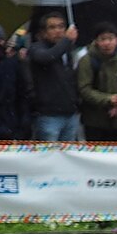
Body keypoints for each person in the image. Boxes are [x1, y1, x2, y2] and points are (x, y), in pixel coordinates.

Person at [76, 24, 117, 143]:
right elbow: (84, 89)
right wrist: (108, 99)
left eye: (110, 39)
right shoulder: (87, 61)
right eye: (102, 39)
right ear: (96, 41)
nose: (107, 43)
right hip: (94, 121)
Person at [25, 12, 81, 141]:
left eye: (61, 27)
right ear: (43, 32)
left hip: (70, 114)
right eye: (52, 27)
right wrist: (66, 40)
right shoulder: (36, 48)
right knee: (48, 157)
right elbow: (47, 57)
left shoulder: (67, 50)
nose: (58, 31)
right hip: (49, 116)